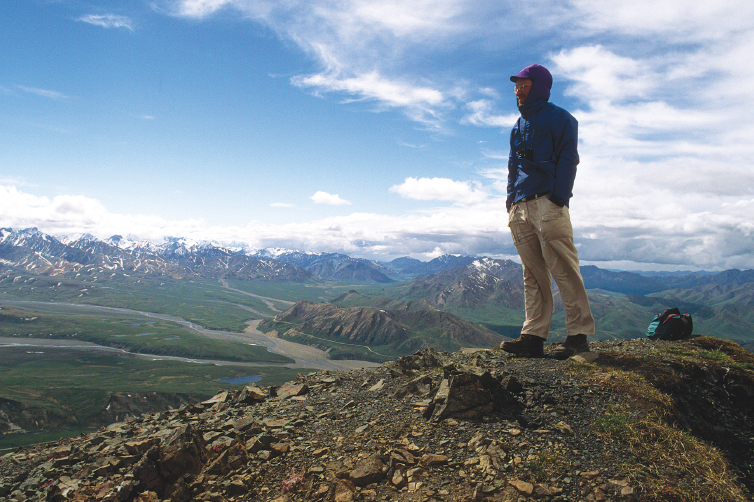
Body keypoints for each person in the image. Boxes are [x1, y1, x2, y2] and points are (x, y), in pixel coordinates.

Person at [500, 63, 595, 359]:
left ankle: (578, 338)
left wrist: (559, 197)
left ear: (539, 86)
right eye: (516, 85)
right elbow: (513, 166)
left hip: (547, 203)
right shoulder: (518, 126)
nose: (518, 90)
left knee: (564, 268)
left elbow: (569, 158)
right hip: (521, 206)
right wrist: (511, 200)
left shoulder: (561, 118)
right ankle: (533, 336)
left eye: (524, 85)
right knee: (532, 272)